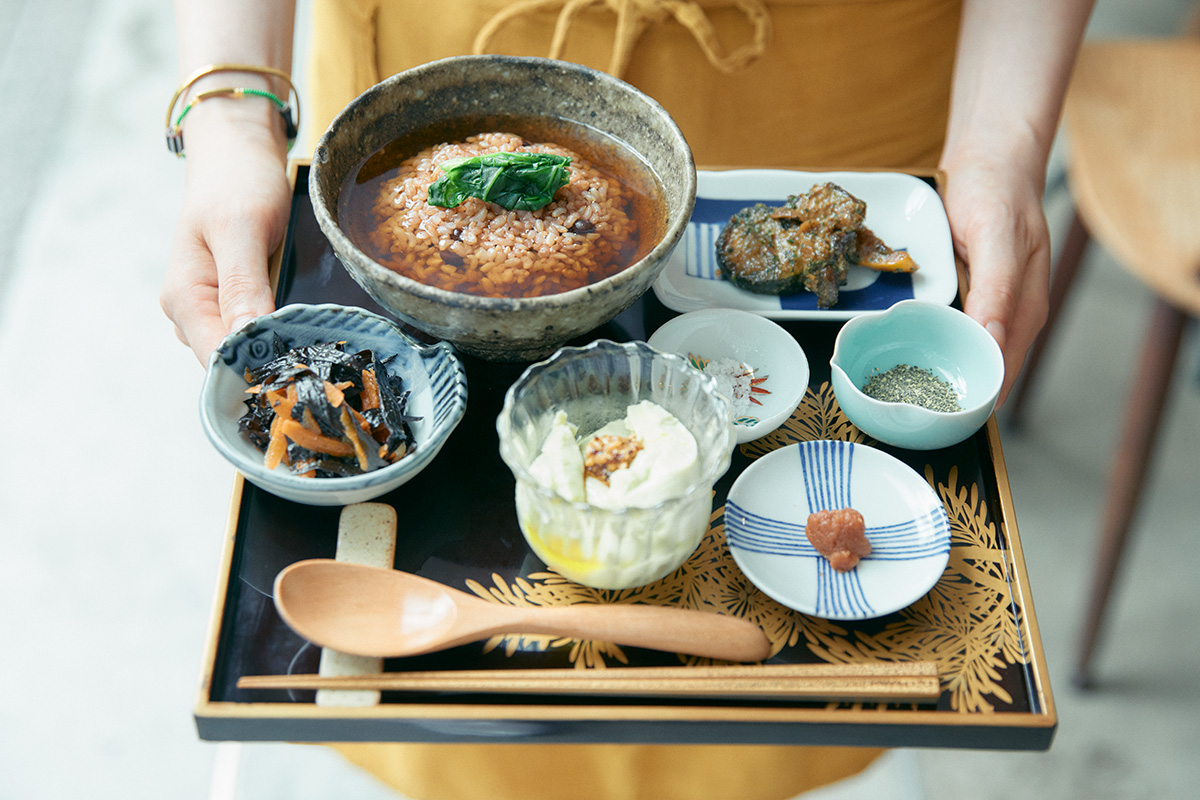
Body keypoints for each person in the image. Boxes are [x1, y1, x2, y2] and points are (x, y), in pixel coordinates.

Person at [164, 1, 1093, 797]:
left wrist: (1000, 149)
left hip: (834, 102)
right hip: (436, 50)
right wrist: (233, 118)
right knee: (469, 750)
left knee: (773, 741)